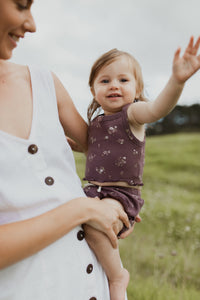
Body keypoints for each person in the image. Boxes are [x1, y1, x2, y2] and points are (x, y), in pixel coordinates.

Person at [0, 1, 135, 299]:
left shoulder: (44, 82)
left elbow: (105, 155)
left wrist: (121, 202)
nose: (32, 24)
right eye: (21, 5)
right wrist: (83, 208)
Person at [82, 38, 200, 300]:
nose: (114, 85)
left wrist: (177, 81)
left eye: (123, 80)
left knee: (93, 225)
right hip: (93, 190)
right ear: (93, 90)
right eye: (105, 81)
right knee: (77, 224)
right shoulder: (96, 123)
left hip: (120, 195)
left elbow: (159, 108)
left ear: (137, 89)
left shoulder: (133, 114)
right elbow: (96, 152)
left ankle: (117, 276)